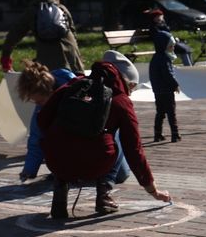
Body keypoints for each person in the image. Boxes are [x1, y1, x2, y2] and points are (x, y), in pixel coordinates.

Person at [37, 52, 171, 219]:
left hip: (56, 161)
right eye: (131, 87)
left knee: (64, 140)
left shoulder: (73, 85)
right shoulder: (120, 100)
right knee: (116, 140)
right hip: (96, 163)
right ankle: (104, 196)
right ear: (124, 81)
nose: (130, 93)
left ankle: (59, 198)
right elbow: (134, 149)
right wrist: (153, 190)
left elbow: (42, 119)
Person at [1, 0, 83, 74]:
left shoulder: (32, 11)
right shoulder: (62, 9)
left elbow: (14, 35)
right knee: (76, 87)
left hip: (48, 66)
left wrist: (5, 58)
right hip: (72, 61)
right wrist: (78, 55)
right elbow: (73, 33)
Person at [16, 60, 75, 182]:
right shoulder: (43, 108)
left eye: (40, 101)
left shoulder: (77, 94)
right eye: (35, 102)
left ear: (52, 92)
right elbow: (36, 138)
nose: (38, 105)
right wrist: (29, 169)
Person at [145, 9, 182, 142]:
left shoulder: (155, 58)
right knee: (171, 112)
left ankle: (157, 134)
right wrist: (175, 85)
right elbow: (168, 74)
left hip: (158, 90)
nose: (172, 49)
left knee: (160, 112)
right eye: (171, 46)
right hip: (166, 90)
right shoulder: (165, 59)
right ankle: (175, 134)